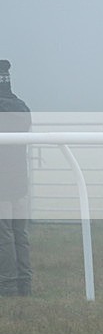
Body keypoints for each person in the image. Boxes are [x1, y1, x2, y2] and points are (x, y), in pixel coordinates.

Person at [0, 60, 33, 297]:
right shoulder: (22, 107)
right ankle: (24, 285)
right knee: (20, 234)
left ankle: (7, 287)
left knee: (4, 235)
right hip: (20, 179)